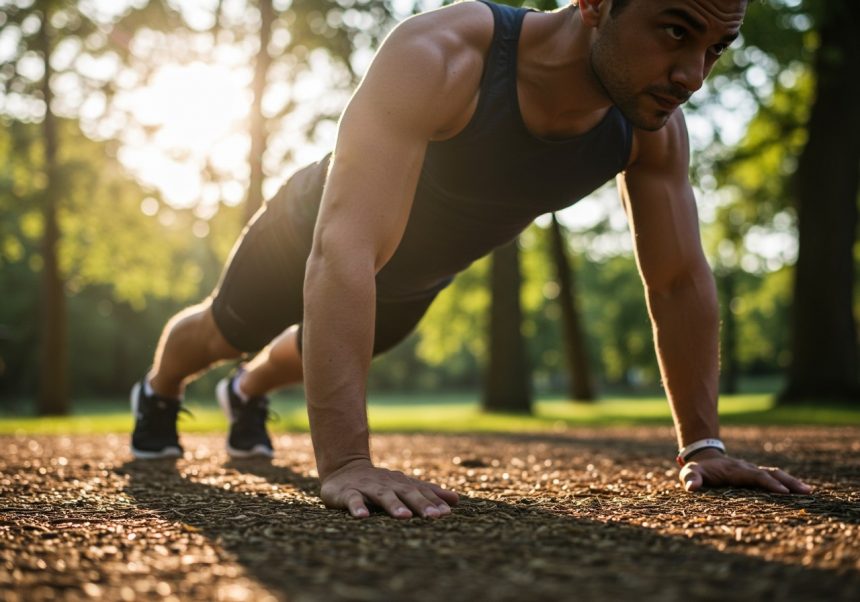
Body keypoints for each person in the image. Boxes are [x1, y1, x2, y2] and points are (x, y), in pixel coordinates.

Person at [130, 0, 812, 519]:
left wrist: (704, 444)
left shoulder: (650, 130)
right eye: (675, 31)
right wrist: (345, 462)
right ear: (595, 3)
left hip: (417, 273)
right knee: (224, 330)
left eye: (716, 49)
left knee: (312, 352)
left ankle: (245, 394)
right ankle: (158, 393)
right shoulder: (444, 53)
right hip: (315, 230)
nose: (693, 76)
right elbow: (345, 249)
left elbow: (677, 279)